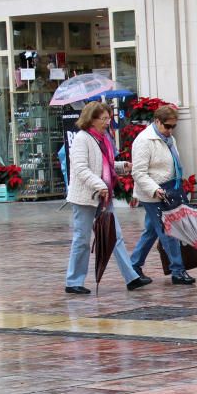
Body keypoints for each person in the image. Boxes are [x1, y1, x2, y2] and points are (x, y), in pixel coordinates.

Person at [65, 101, 150, 294]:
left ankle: (131, 278)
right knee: (82, 239)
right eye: (103, 119)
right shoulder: (82, 138)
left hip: (104, 196)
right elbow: (80, 168)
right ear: (91, 119)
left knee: (116, 237)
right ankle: (73, 281)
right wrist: (99, 185)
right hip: (85, 198)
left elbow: (105, 165)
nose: (107, 122)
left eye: (108, 118)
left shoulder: (104, 138)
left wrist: (121, 167)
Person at [129, 105, 196, 285]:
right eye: (167, 126)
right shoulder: (144, 141)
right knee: (168, 231)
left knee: (151, 231)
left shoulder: (168, 139)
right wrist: (155, 190)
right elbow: (138, 172)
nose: (170, 130)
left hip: (170, 189)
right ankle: (178, 271)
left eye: (174, 126)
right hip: (154, 193)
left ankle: (133, 266)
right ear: (157, 121)